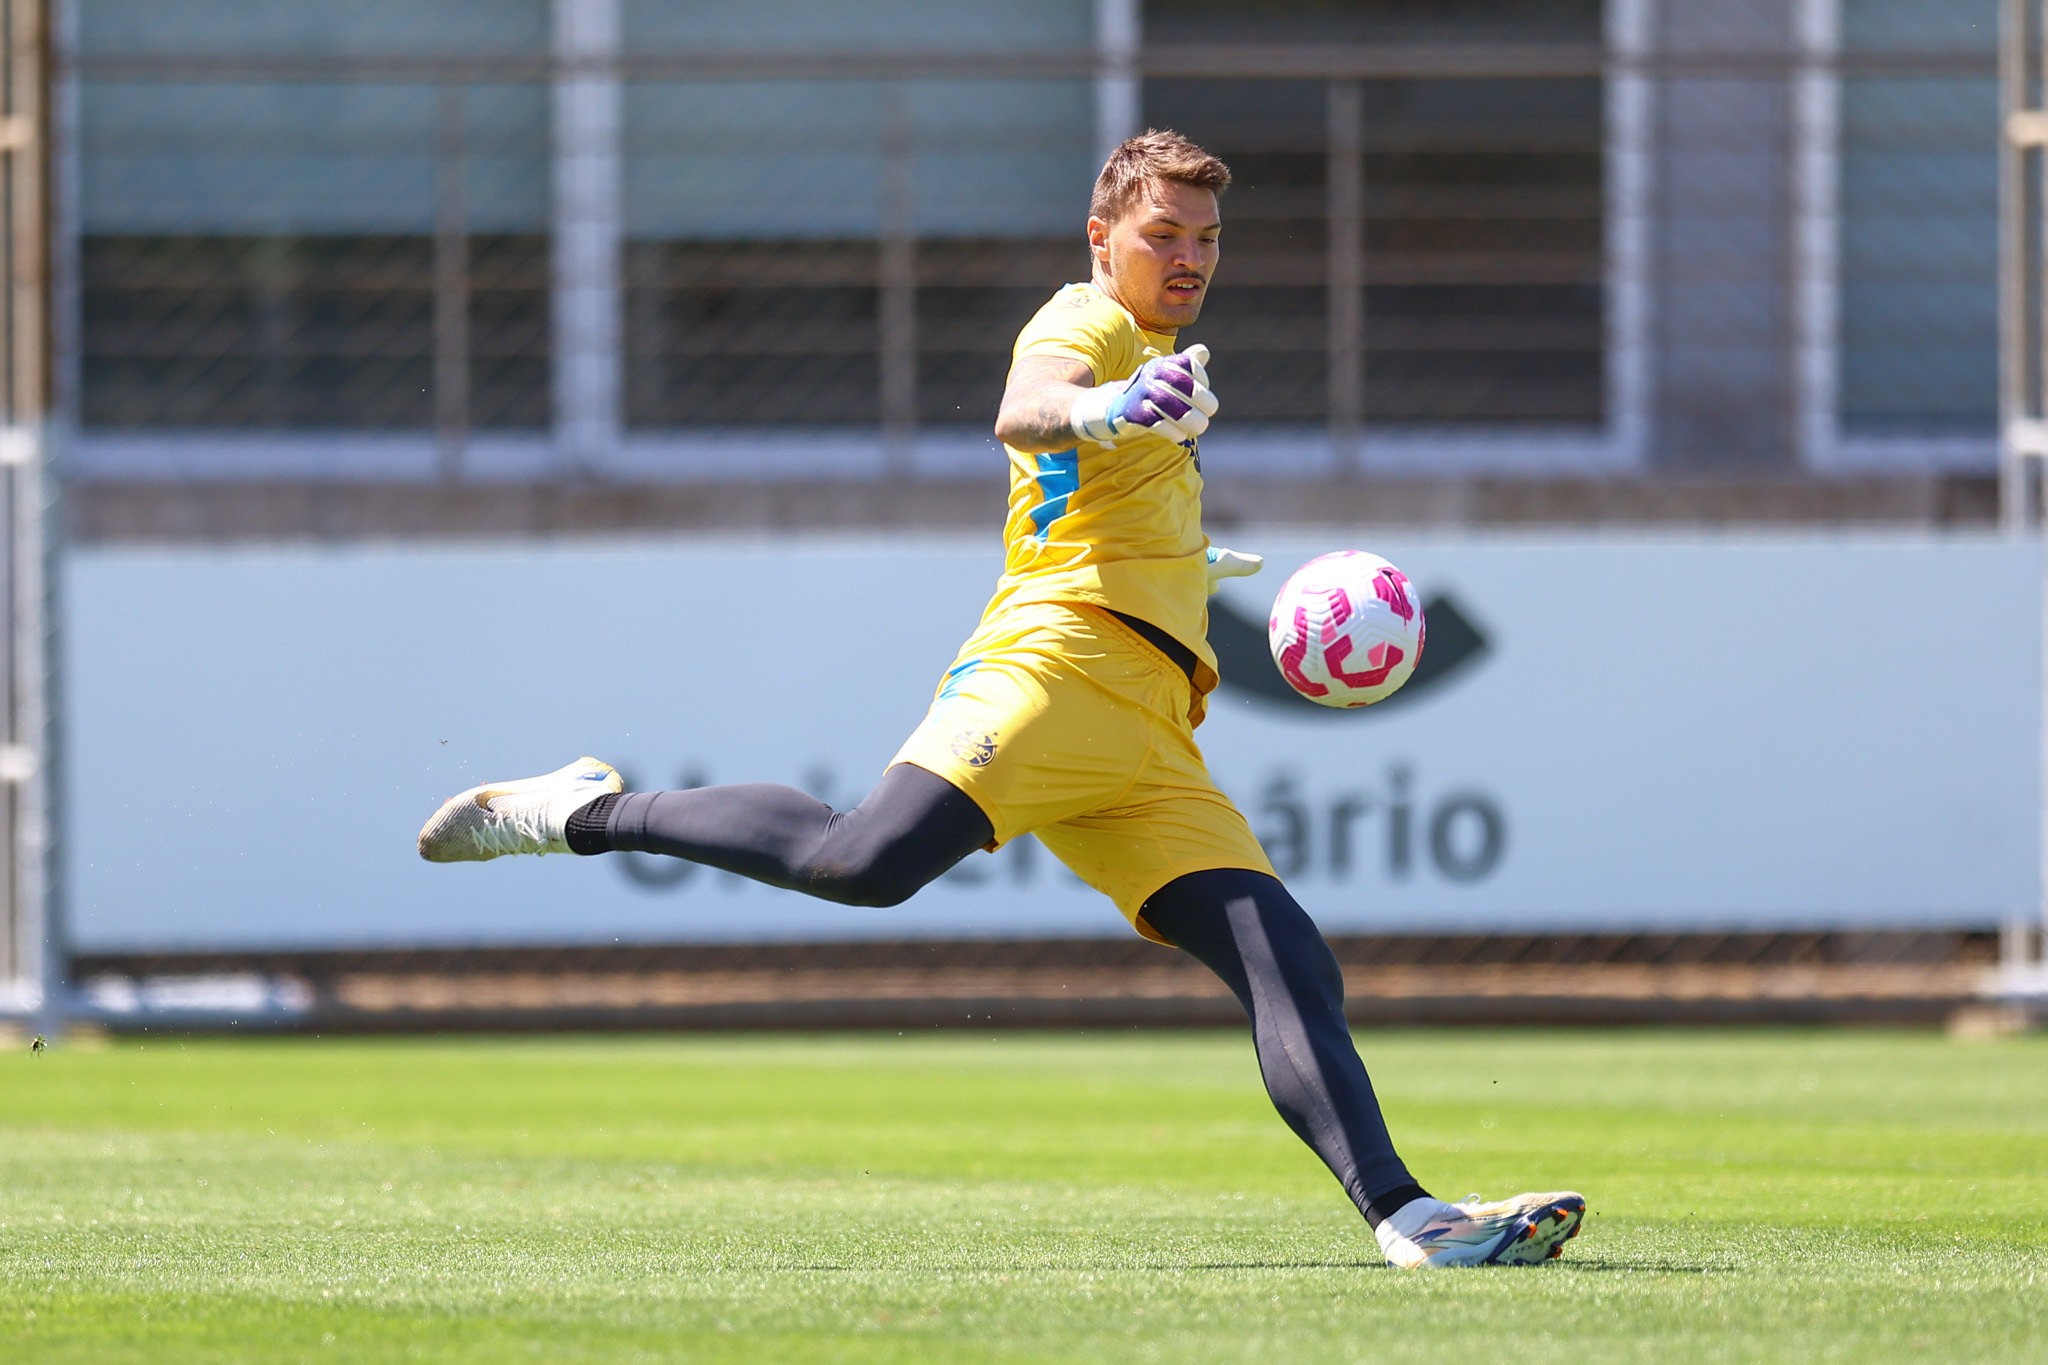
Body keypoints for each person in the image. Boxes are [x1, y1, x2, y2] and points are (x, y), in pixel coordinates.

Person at [418, 130, 1584, 1270]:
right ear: (1100, 237)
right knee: (860, 863)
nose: (1188, 257)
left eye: (1207, 237)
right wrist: (1102, 407)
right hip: (1054, 669)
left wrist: (1185, 562)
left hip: (1147, 733)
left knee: (1283, 957)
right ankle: (580, 810)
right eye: (1162, 233)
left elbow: (1091, 497)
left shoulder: (1160, 356)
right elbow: (1027, 405)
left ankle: (1409, 1219)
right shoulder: (1087, 323)